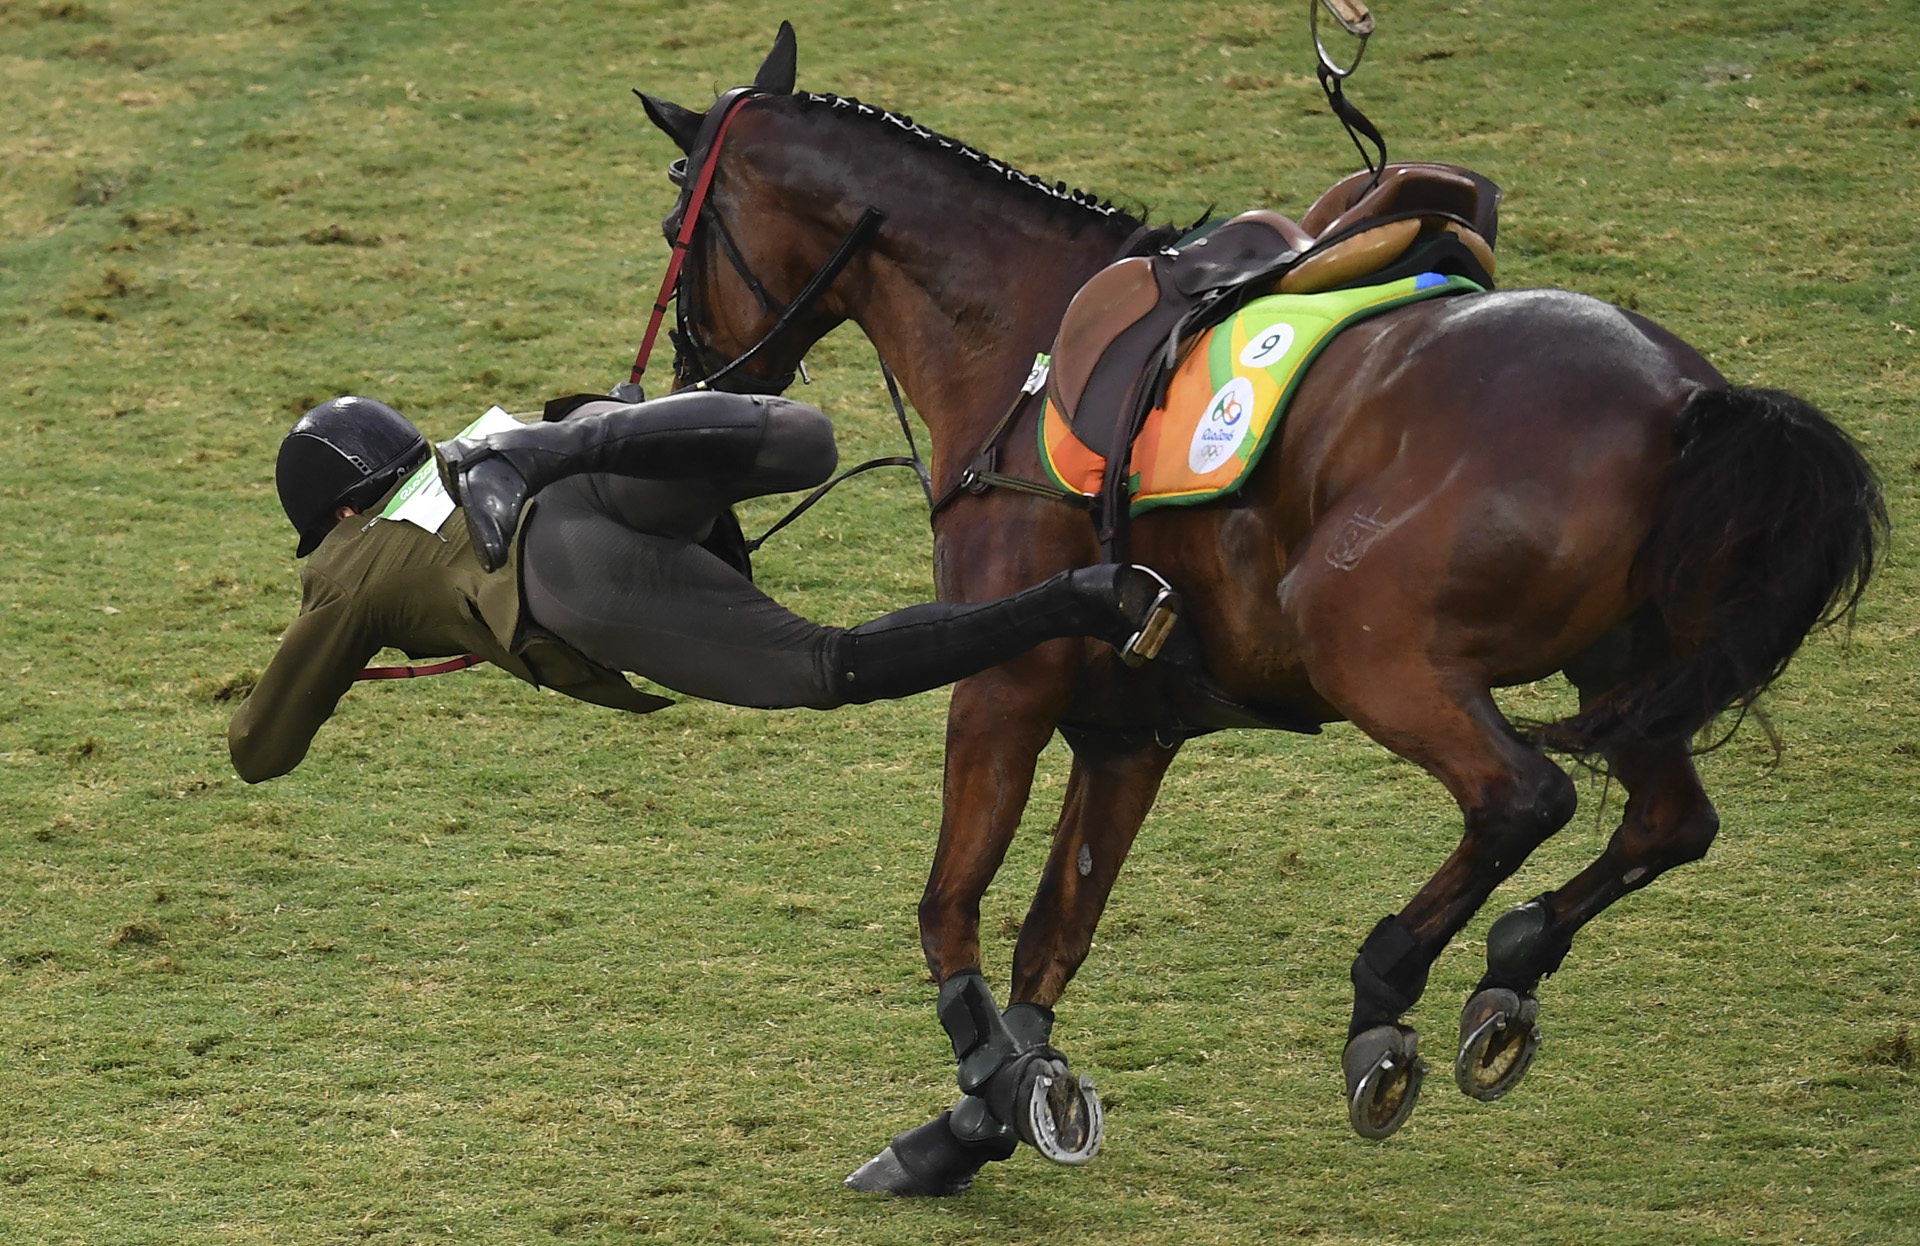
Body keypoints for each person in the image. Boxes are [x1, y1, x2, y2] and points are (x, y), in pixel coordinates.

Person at [228, 390, 1179, 783]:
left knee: (823, 664)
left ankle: (1078, 602)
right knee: (810, 441)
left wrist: (335, 648)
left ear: (337, 516)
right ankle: (566, 437)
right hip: (564, 459)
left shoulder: (344, 569)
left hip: (563, 574)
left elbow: (260, 749)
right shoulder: (457, 449)